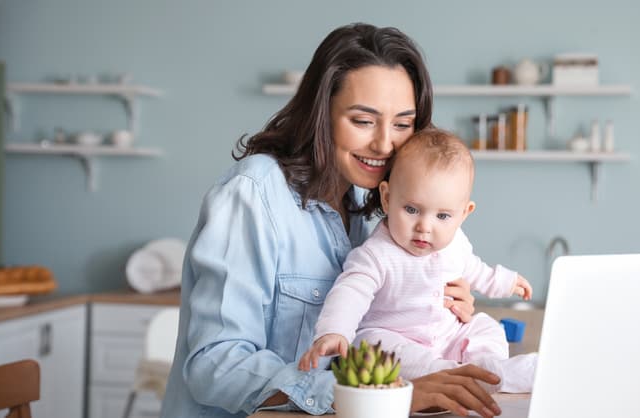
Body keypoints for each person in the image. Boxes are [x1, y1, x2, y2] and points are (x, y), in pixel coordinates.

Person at [160, 23, 506, 418]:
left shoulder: (371, 202)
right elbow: (215, 366)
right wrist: (382, 393)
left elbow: (366, 332)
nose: (384, 144)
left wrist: (433, 304)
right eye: (363, 121)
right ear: (321, 114)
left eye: (402, 124)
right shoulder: (253, 194)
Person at [299, 128, 537, 393]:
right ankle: (466, 376)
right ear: (387, 198)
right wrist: (334, 331)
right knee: (375, 350)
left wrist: (507, 281)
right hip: (396, 338)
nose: (425, 227)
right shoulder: (377, 254)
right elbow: (350, 292)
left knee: (486, 327)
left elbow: (475, 269)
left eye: (443, 216)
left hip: (448, 335)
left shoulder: (456, 242)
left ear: (464, 214)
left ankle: (487, 366)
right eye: (412, 210)